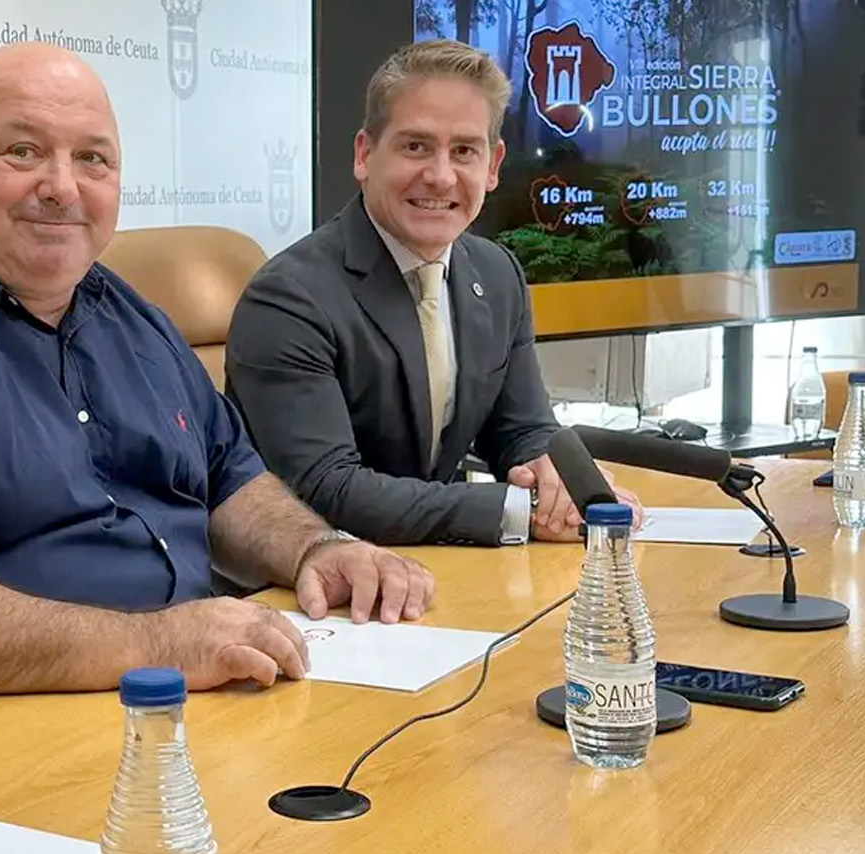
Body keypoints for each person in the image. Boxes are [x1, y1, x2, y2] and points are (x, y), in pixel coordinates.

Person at [0, 43, 435, 696]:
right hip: (29, 718)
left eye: (92, 159)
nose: (62, 186)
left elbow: (230, 478)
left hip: (198, 686)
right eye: (23, 151)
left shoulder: (131, 314)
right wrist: (156, 645)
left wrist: (316, 549)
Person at [225, 39, 640, 547]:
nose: (441, 177)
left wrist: (561, 483)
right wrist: (518, 510)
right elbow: (325, 488)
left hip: (441, 567)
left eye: (464, 151)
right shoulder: (289, 298)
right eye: (416, 146)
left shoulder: (498, 274)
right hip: (318, 577)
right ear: (364, 154)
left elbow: (522, 430)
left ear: (493, 166)